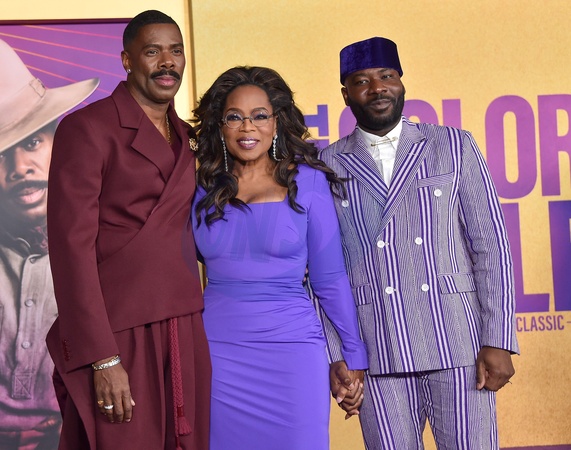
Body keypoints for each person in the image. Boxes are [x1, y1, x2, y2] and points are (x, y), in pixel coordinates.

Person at [321, 37, 519, 449]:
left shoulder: (453, 145)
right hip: (377, 346)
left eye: (386, 76)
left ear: (401, 82)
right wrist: (338, 353)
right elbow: (322, 271)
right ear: (346, 94)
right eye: (362, 81)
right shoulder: (327, 165)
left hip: (457, 342)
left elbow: (491, 246)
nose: (377, 88)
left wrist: (498, 338)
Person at [45, 10, 210, 450]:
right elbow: (70, 250)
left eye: (176, 51)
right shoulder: (87, 128)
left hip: (184, 323)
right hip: (119, 329)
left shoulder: (189, 136)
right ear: (126, 60)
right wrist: (101, 357)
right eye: (153, 51)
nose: (167, 62)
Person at [190, 66, 368, 450]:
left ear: (275, 123)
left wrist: (353, 353)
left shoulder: (308, 182)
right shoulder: (201, 187)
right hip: (219, 352)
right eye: (234, 117)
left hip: (292, 352)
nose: (247, 127)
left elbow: (330, 278)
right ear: (220, 126)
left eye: (259, 116)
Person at [0, 39, 98, 449]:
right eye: (0, 155)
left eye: (32, 142)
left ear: (60, 138)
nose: (19, 167)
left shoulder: (104, 242)